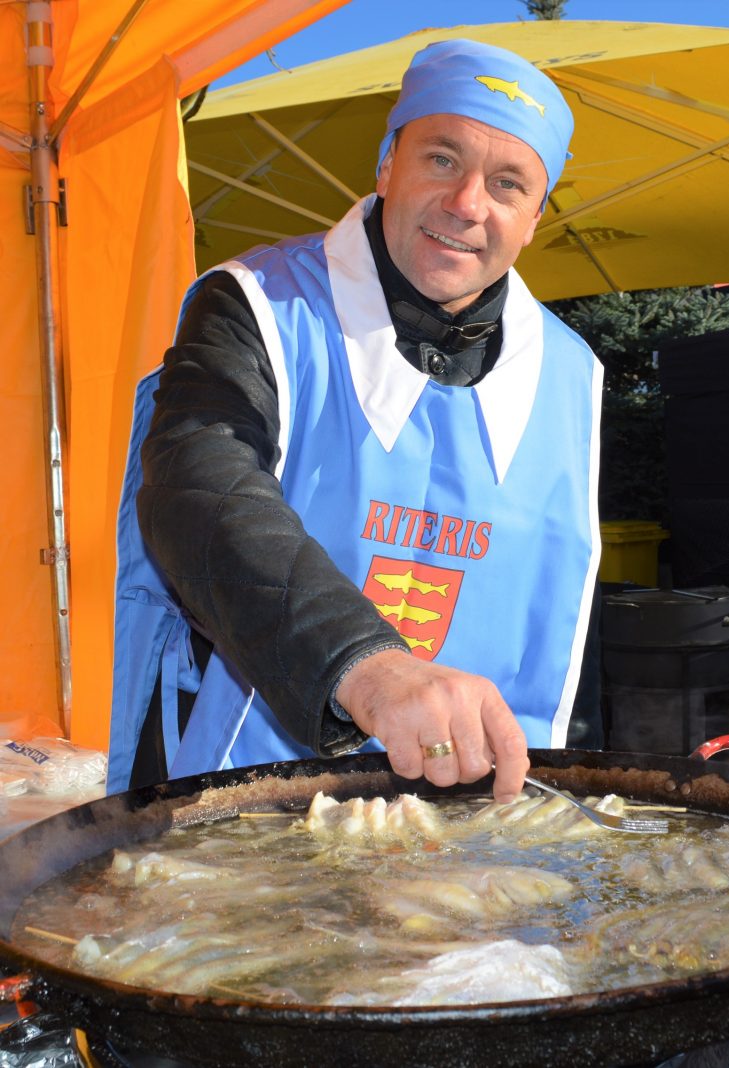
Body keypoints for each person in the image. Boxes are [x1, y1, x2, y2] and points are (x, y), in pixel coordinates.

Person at [108, 39, 603, 802]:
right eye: (442, 159)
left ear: (534, 218)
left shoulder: (573, 376)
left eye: (508, 185)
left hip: (475, 835)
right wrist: (369, 669)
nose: (469, 204)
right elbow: (199, 486)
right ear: (386, 164)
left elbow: (564, 626)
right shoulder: (258, 304)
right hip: (248, 804)